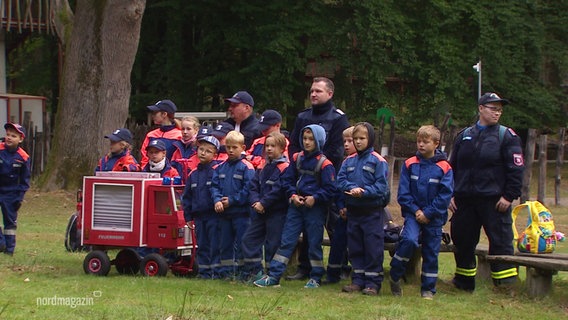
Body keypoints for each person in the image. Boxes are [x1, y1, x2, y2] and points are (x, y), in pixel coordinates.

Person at [449, 92, 524, 292]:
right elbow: (451, 168)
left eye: (500, 110)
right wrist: (450, 194)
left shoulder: (506, 136)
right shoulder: (464, 136)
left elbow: (516, 169)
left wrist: (509, 196)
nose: (497, 113)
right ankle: (463, 283)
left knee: (501, 242)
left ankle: (505, 285)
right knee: (463, 241)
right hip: (465, 200)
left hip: (494, 200)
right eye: (493, 108)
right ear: (481, 109)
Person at [254, 124, 336, 289]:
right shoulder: (297, 158)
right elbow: (288, 180)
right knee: (287, 241)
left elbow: (331, 189)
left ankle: (316, 277)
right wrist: (292, 195)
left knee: (313, 243)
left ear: (319, 141)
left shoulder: (325, 164)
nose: (307, 142)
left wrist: (316, 198)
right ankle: (274, 276)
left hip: (315, 209)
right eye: (305, 138)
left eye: (311, 139)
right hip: (296, 206)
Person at [286, 76, 350, 281]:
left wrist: (318, 165)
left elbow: (336, 150)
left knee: (334, 225)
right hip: (304, 179)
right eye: (312, 91)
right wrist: (300, 164)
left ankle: (338, 267)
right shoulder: (303, 117)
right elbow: (293, 146)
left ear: (330, 94)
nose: (313, 94)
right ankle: (305, 267)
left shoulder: (338, 118)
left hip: (329, 178)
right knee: (307, 225)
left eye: (318, 91)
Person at [389, 125, 453, 299]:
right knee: (408, 240)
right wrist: (416, 211)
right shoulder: (410, 164)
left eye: (426, 142)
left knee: (431, 252)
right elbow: (403, 194)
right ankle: (395, 275)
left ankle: (428, 289)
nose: (421, 145)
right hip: (413, 215)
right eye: (419, 141)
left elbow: (444, 196)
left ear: (436, 143)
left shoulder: (445, 167)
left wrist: (428, 213)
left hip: (435, 217)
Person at [337, 122, 390, 296]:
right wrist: (352, 188)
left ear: (370, 139)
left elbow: (382, 187)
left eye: (362, 138)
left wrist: (364, 192)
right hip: (354, 212)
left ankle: (373, 283)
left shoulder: (378, 161)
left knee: (372, 247)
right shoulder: (348, 161)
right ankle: (357, 280)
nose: (358, 142)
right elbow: (340, 181)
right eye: (355, 139)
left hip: (372, 212)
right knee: (355, 247)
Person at [241, 131, 290, 282]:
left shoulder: (285, 167)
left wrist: (264, 203)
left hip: (276, 213)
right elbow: (253, 186)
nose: (269, 149)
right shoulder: (263, 166)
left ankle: (272, 274)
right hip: (259, 211)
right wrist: (256, 202)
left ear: (282, 148)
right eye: (267, 146)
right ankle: (255, 271)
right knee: (248, 240)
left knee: (273, 244)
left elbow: (279, 190)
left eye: (273, 146)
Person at [211, 131, 255, 279]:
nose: (230, 150)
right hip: (224, 215)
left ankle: (244, 273)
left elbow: (248, 189)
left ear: (242, 147)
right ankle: (227, 273)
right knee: (225, 244)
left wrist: (232, 200)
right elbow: (214, 186)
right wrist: (217, 200)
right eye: (227, 147)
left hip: (242, 214)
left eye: (234, 147)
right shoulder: (220, 167)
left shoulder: (247, 167)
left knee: (242, 243)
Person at [182, 135, 222, 279]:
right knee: (202, 245)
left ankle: (217, 273)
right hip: (199, 217)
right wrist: (188, 216)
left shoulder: (218, 171)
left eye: (208, 151)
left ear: (215, 154)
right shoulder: (193, 174)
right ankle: (204, 272)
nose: (203, 153)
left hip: (214, 216)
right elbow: (186, 197)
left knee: (215, 245)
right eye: (201, 149)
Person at [325, 126, 355, 284]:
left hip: (359, 211)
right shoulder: (345, 162)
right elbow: (339, 187)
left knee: (357, 244)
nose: (347, 144)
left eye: (350, 141)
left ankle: (358, 275)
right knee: (337, 241)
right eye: (345, 141)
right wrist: (341, 206)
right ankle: (333, 273)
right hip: (343, 211)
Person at [0, 123, 31, 255]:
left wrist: (19, 197)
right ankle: (0, 243)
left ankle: (9, 249)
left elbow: (25, 180)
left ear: (20, 139)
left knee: (10, 222)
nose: (9, 138)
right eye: (7, 134)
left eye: (13, 136)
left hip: (11, 194)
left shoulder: (23, 157)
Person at [140, 99, 182, 168]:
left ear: (164, 114)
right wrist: (145, 170)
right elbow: (144, 157)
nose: (152, 116)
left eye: (155, 113)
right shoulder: (151, 135)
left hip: (171, 175)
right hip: (151, 175)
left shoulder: (179, 136)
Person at [171, 116, 200, 181]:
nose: (185, 132)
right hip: (179, 186)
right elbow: (172, 168)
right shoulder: (177, 148)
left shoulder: (199, 148)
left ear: (196, 130)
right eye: (183, 129)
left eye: (188, 129)